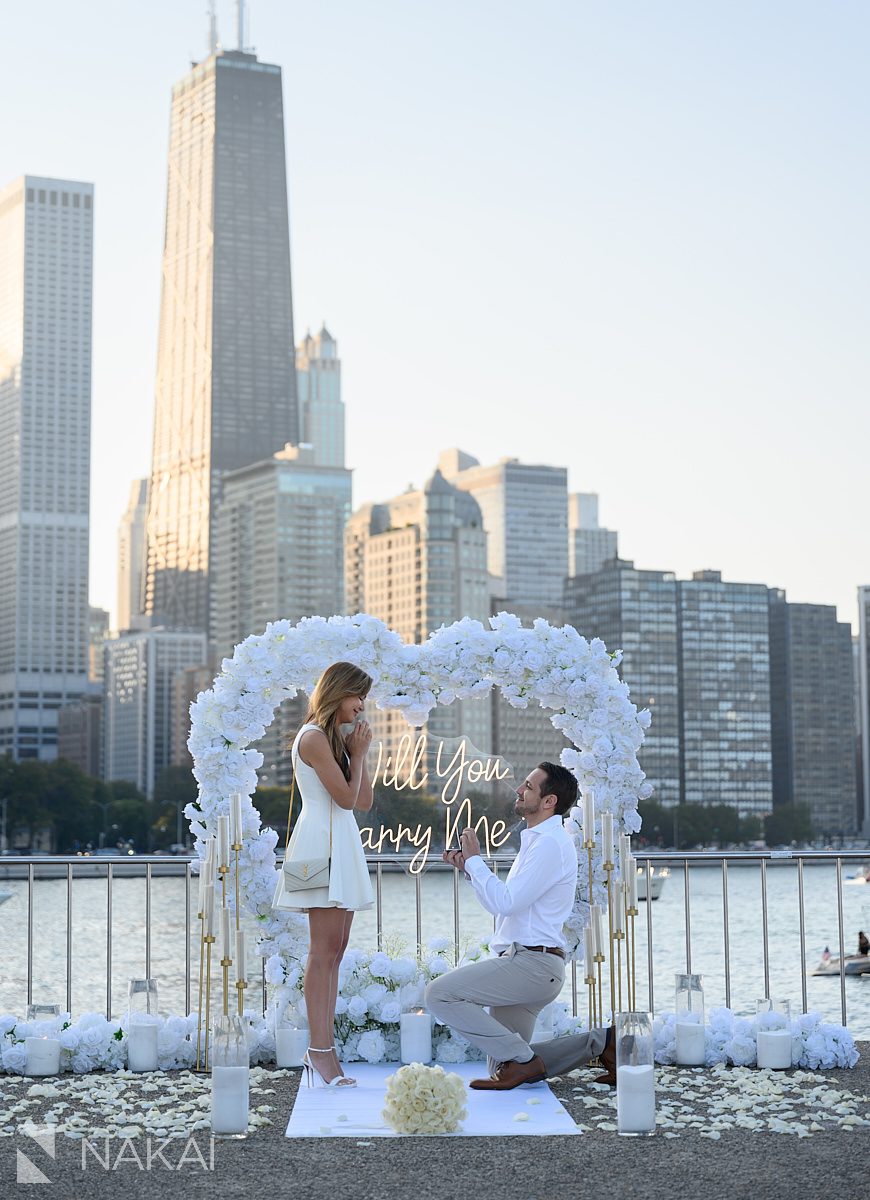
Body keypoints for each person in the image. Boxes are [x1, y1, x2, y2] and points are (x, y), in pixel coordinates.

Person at [426, 762, 581, 1091]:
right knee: (504, 1069)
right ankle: (601, 1044)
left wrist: (476, 862)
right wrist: (471, 870)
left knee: (440, 995)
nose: (519, 790)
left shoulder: (550, 844)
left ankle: (526, 1062)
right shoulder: (538, 841)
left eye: (528, 786)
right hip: (529, 961)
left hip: (533, 965)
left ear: (549, 801)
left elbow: (506, 903)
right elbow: (505, 908)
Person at [275, 661, 375, 1087]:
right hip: (318, 843)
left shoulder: (335, 741)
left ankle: (323, 1050)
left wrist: (359, 755)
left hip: (340, 841)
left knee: (335, 949)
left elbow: (364, 799)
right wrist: (356, 754)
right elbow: (345, 800)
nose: (362, 706)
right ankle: (319, 1052)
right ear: (340, 693)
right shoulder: (313, 737)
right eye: (358, 697)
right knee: (323, 950)